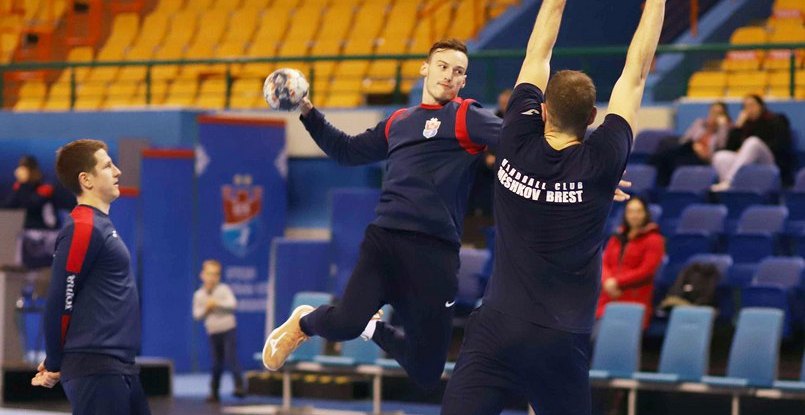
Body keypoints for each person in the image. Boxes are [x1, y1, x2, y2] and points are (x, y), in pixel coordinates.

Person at [441, 0, 664, 413]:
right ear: (593, 117)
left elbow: (537, 54)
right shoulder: (601, 163)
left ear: (542, 111)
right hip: (559, 341)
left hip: (496, 329)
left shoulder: (514, 138)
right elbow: (635, 74)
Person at [262, 38, 503, 390]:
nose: (449, 76)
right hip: (386, 242)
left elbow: (518, 140)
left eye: (458, 71)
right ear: (425, 68)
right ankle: (303, 323)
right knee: (344, 323)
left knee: (426, 371)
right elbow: (347, 151)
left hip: (435, 255)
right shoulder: (398, 122)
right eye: (442, 66)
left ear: (464, 81)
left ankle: (373, 327)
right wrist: (307, 111)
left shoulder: (468, 116)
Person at [31, 139, 151, 415]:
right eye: (108, 166)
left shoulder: (100, 226)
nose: (118, 171)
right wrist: (54, 360)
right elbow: (60, 299)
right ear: (86, 180)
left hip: (119, 367)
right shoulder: (83, 228)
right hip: (96, 369)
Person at [596, 197, 665, 330]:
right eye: (631, 211)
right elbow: (603, 263)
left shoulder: (655, 240)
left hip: (633, 301)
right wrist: (607, 281)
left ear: (645, 214)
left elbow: (646, 271)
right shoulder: (616, 237)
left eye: (638, 211)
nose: (634, 215)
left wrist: (616, 282)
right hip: (607, 299)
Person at [711, 94, 795, 190]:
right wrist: (738, 126)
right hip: (748, 162)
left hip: (770, 161)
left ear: (761, 106)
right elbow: (729, 147)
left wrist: (751, 150)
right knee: (720, 156)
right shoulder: (745, 124)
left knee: (753, 142)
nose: (749, 109)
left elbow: (781, 144)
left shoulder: (776, 119)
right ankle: (731, 189)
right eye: (746, 107)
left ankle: (729, 181)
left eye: (752, 105)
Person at [192, 259, 246, 403]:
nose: (212, 278)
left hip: (228, 329)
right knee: (216, 363)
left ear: (219, 276)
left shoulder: (224, 289)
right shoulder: (199, 295)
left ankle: (239, 386)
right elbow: (197, 315)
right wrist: (207, 309)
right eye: (209, 274)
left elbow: (233, 304)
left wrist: (216, 303)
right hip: (213, 332)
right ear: (202, 275)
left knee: (231, 357)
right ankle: (214, 392)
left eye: (215, 274)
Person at [650, 102, 731, 186]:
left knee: (675, 162)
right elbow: (685, 139)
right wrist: (694, 145)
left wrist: (722, 126)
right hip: (689, 149)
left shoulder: (725, 129)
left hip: (702, 158)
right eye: (713, 112)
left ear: (724, 115)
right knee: (663, 156)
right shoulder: (700, 123)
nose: (714, 115)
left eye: (719, 113)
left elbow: (721, 145)